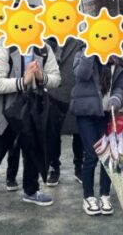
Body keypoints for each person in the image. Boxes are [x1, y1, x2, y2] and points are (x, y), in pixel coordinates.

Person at [0, 43, 60, 232]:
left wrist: (41, 77)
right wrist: (23, 81)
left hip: (31, 112)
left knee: (32, 152)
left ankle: (31, 190)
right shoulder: (3, 48)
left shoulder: (44, 49)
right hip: (2, 114)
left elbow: (57, 79)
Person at [71, 48, 123, 216]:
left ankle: (104, 195)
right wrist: (90, 52)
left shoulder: (116, 59)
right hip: (86, 113)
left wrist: (116, 99)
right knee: (91, 154)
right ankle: (88, 197)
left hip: (106, 114)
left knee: (107, 156)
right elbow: (81, 75)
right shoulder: (81, 54)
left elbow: (120, 87)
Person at [46, 37, 84, 186]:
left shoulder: (79, 40)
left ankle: (79, 166)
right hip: (53, 92)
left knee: (79, 132)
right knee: (53, 134)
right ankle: (54, 168)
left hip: (75, 91)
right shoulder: (47, 40)